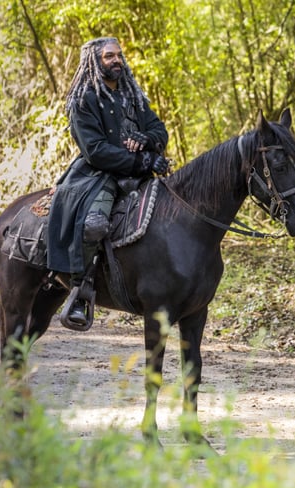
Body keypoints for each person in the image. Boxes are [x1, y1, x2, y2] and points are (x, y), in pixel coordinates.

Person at [47, 37, 169, 326]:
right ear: (95, 61)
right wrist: (143, 160)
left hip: (142, 173)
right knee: (94, 225)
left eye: (119, 55)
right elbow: (96, 151)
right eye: (109, 56)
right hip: (99, 176)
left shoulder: (133, 94)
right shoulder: (83, 100)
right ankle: (80, 291)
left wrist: (148, 140)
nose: (117, 60)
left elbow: (158, 129)